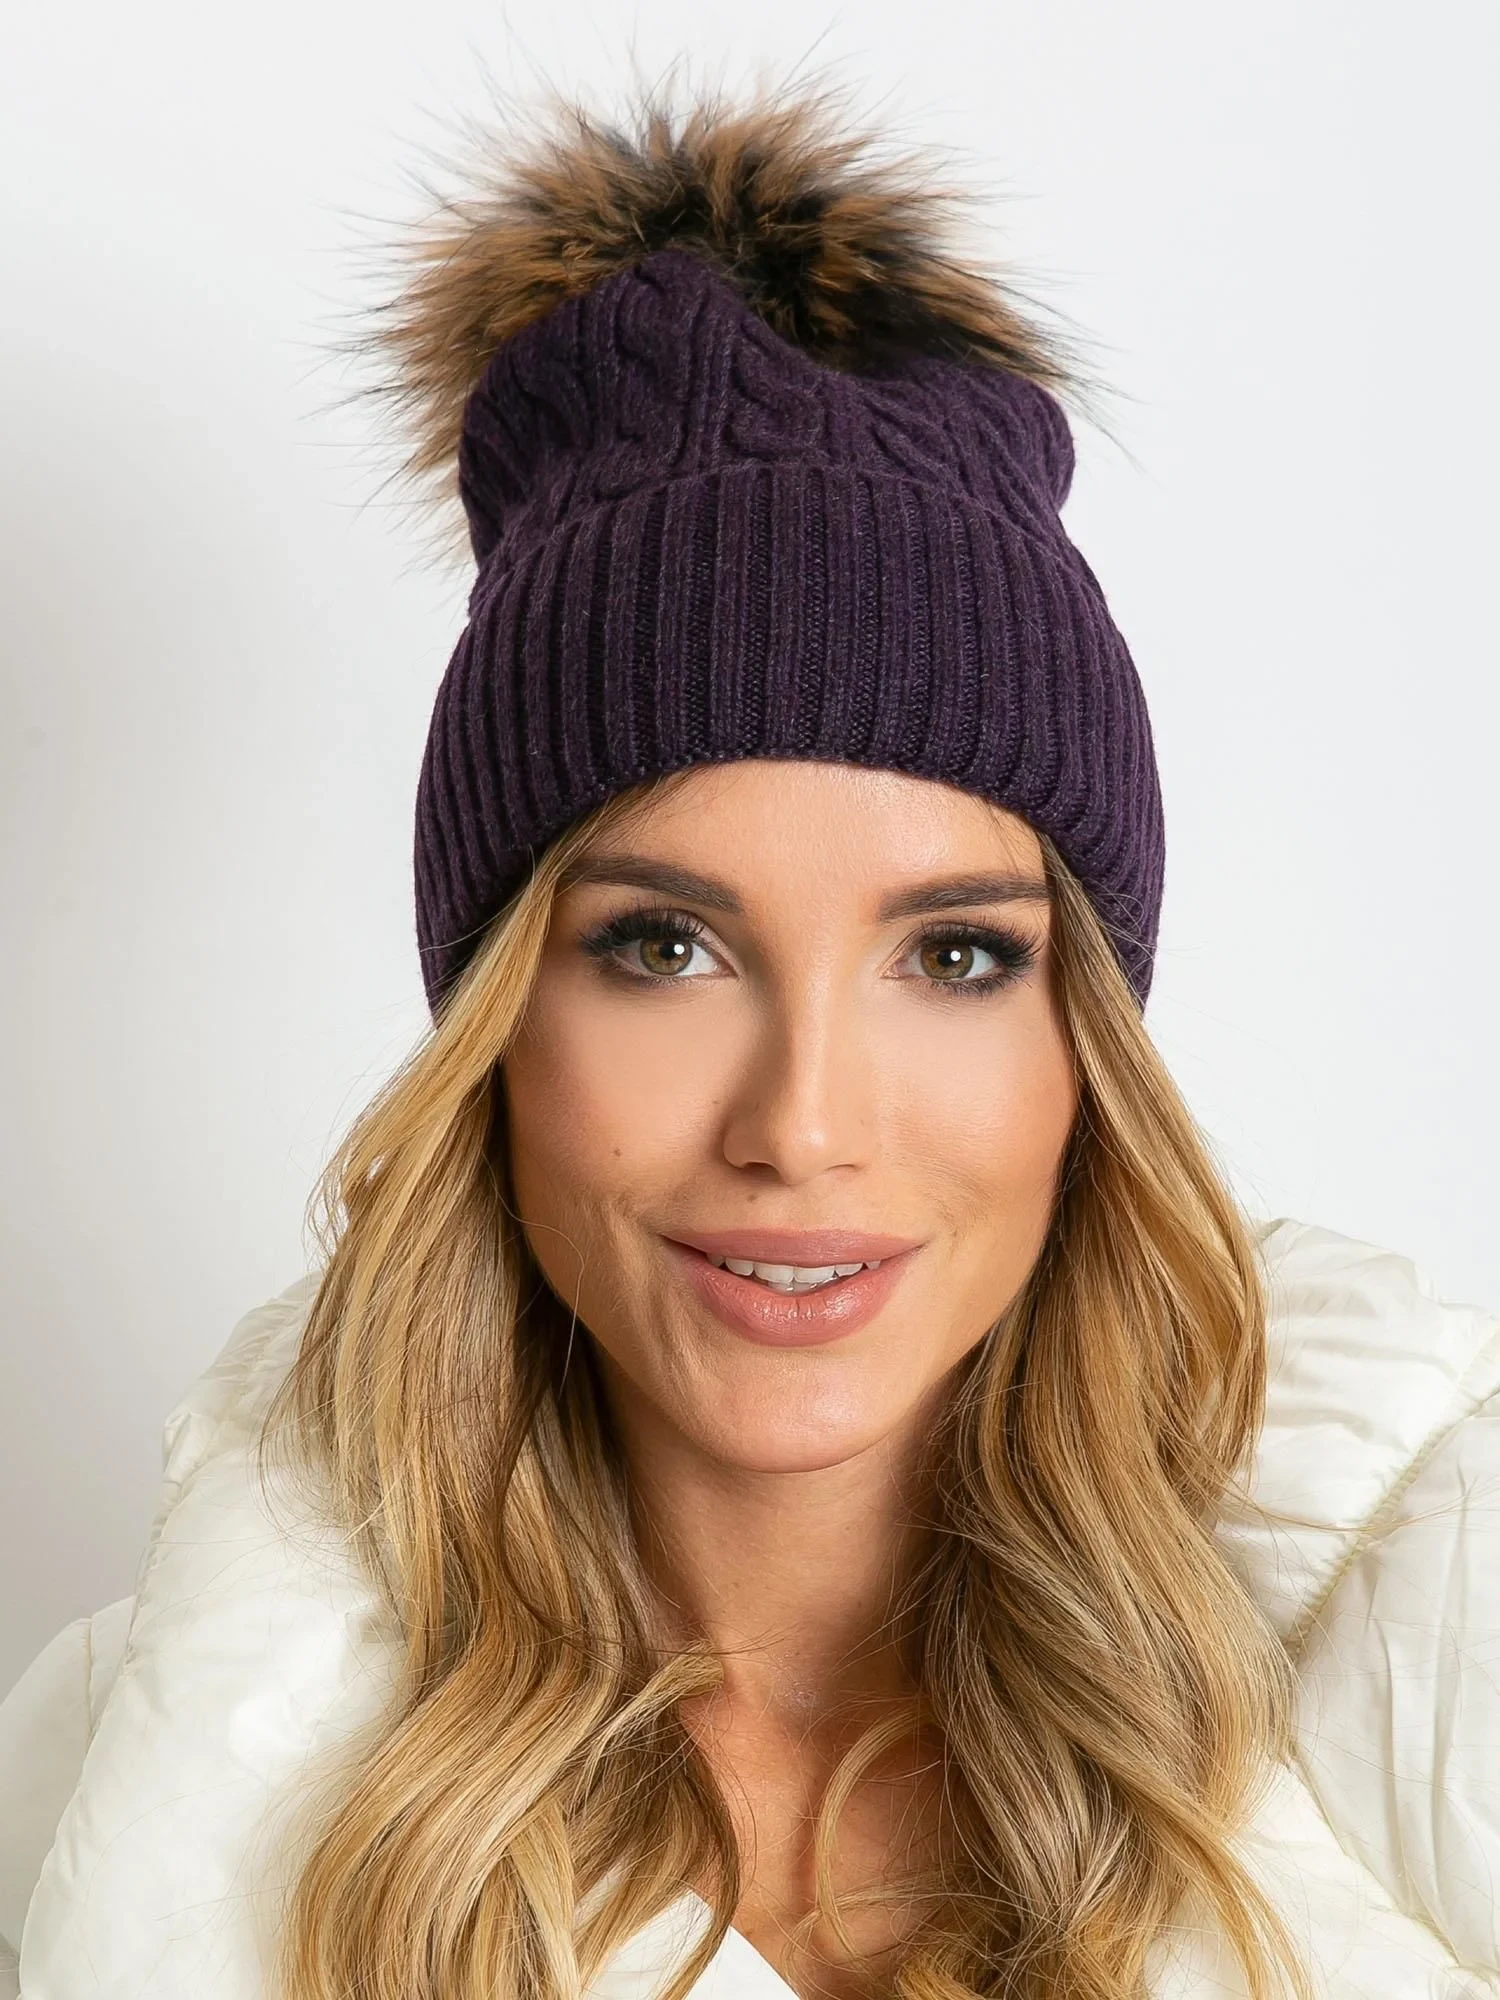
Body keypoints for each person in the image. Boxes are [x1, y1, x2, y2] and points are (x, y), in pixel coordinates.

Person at [2, 84, 1497, 2000]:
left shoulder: (1431, 1642)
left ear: (1085, 1052)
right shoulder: (123, 1782)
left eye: (954, 955)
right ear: (496, 1026)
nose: (803, 1125)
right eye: (664, 947)